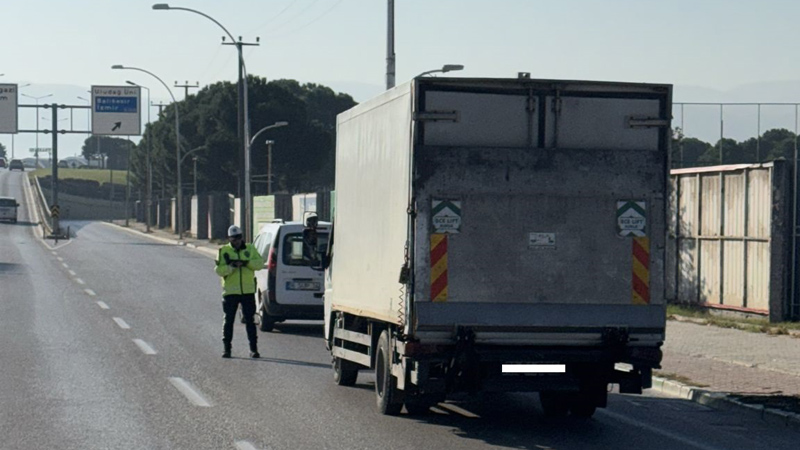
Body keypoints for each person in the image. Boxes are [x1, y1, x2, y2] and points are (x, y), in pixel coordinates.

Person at [215, 225, 265, 358]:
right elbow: (219, 270)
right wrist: (231, 267)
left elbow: (260, 263)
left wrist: (246, 263)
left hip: (247, 291)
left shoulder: (250, 249)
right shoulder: (223, 251)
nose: (236, 241)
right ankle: (227, 349)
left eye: (238, 238)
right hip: (230, 292)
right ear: (229, 238)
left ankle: (253, 349)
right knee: (228, 321)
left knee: (250, 320)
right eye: (233, 238)